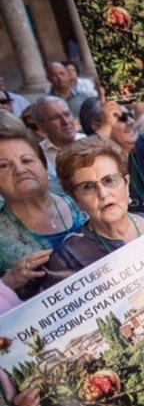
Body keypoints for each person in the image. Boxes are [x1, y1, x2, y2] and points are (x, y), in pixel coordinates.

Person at [39, 136, 144, 310]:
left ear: (126, 183)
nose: (103, 193)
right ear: (76, 199)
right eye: (87, 187)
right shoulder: (67, 258)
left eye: (110, 180)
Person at [0, 110, 87, 300]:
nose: (20, 170)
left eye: (27, 160)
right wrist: (8, 283)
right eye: (4, 165)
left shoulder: (81, 200)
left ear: (44, 166)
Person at [33, 96, 85, 194]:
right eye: (55, 118)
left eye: (67, 114)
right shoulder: (37, 154)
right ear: (41, 127)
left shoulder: (91, 141)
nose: (65, 122)